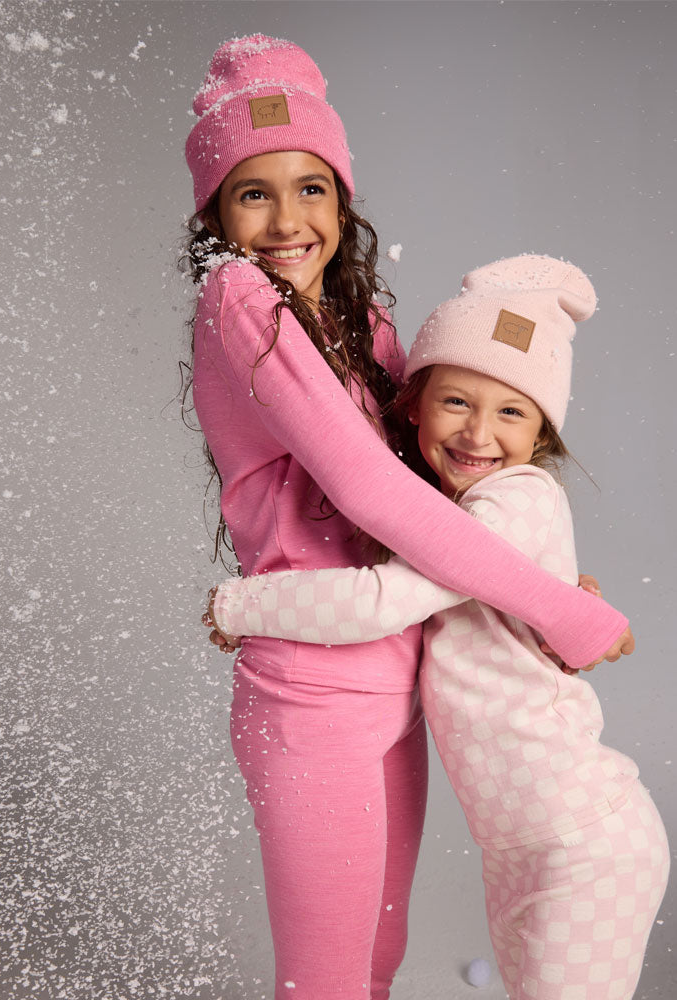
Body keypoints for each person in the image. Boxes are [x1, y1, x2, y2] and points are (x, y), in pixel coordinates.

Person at [185, 35, 633, 1000]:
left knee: (377, 967)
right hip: (312, 695)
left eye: (311, 187)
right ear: (215, 211)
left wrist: (544, 581)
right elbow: (371, 492)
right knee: (330, 980)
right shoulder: (237, 298)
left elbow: (445, 472)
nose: (286, 220)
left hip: (400, 678)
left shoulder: (357, 316)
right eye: (251, 191)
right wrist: (564, 615)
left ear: (343, 200)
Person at [209, 255, 669, 1000]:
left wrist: (239, 607)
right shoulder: (458, 513)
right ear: (414, 404)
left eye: (513, 412)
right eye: (458, 401)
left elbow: (386, 600)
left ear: (543, 431)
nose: (479, 433)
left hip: (584, 844)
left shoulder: (511, 504)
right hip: (524, 847)